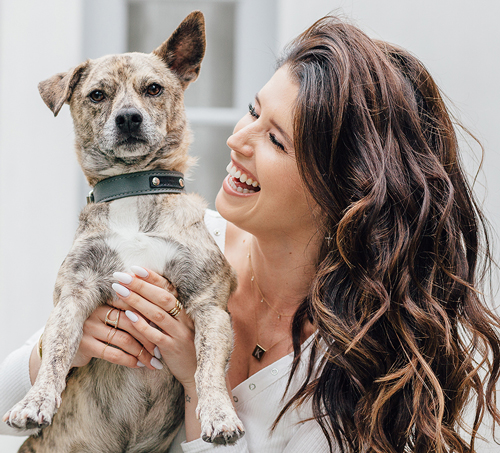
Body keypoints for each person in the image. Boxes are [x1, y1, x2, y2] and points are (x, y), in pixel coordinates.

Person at [2, 15, 500, 453]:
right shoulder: (192, 239)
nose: (237, 138)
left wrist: (197, 385)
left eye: (275, 140)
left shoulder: (352, 365)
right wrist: (63, 349)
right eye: (253, 110)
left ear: (342, 187)